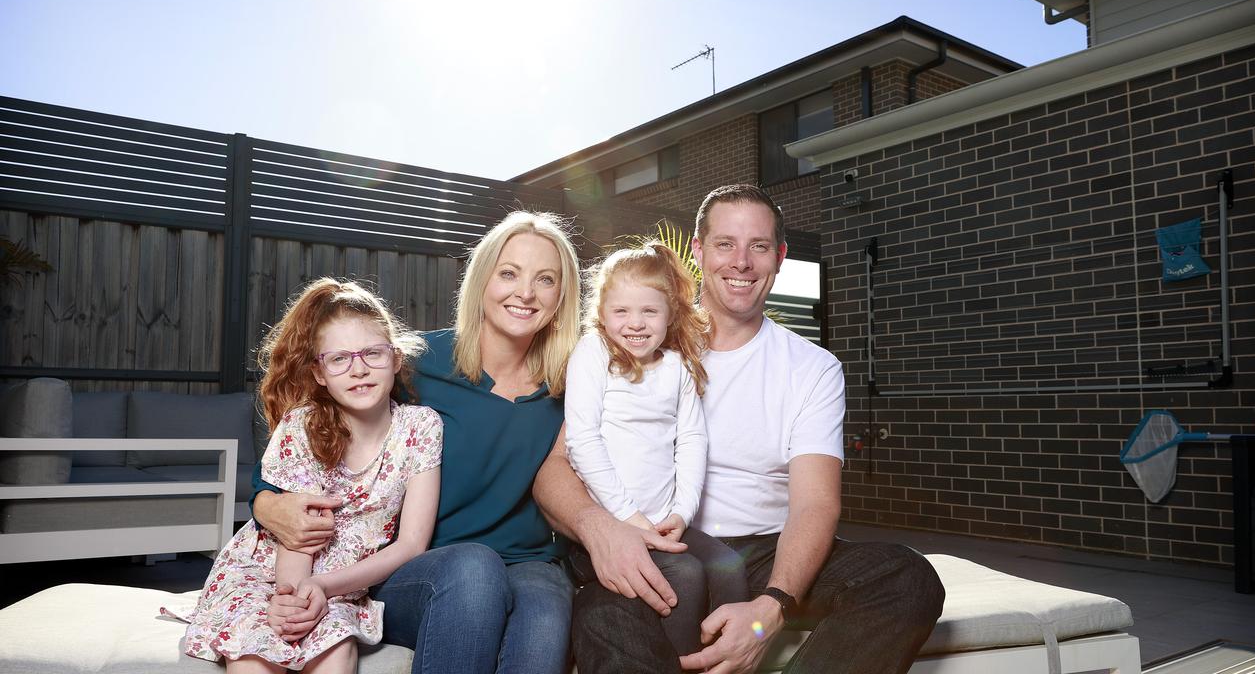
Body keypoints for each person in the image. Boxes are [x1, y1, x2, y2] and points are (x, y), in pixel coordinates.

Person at [538, 184, 946, 674]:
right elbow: (557, 466)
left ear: (780, 258)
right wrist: (601, 528)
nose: (742, 262)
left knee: (907, 578)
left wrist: (769, 610)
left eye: (759, 246)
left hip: (764, 554)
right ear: (699, 251)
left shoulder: (811, 368)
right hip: (656, 543)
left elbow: (816, 503)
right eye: (725, 244)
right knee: (604, 618)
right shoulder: (639, 345)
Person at [249, 210, 581, 674]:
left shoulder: (575, 381)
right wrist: (264, 502)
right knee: (472, 570)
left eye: (545, 279)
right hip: (418, 562)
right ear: (482, 279)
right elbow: (309, 430)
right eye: (509, 273)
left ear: (562, 295)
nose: (525, 292)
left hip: (529, 562)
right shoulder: (416, 362)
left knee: (545, 625)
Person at [168, 278, 443, 673]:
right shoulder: (303, 426)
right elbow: (295, 535)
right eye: (339, 359)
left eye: (372, 354)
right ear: (319, 373)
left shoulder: (420, 427)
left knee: (335, 649)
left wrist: (323, 588)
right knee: (255, 651)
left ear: (396, 359)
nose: (359, 370)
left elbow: (412, 543)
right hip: (269, 573)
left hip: (339, 585)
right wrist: (289, 598)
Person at [564, 241, 748, 657]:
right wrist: (630, 517)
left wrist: (681, 512)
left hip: (664, 524)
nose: (636, 323)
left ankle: (720, 662)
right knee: (683, 575)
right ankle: (681, 665)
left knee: (730, 570)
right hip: (607, 531)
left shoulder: (677, 366)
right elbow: (582, 441)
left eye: (649, 311)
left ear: (670, 315)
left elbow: (692, 440)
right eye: (622, 311)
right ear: (603, 314)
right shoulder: (593, 353)